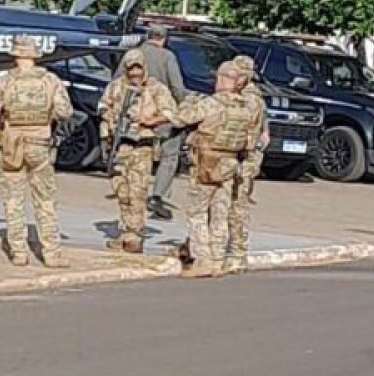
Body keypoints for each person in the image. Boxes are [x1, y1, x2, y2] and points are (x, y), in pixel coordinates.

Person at [163, 61, 262, 278]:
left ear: (226, 80)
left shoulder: (212, 104)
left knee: (197, 214)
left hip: (206, 165)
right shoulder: (244, 108)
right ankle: (218, 259)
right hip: (229, 165)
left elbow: (180, 119)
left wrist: (171, 107)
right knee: (220, 213)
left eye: (219, 77)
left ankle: (202, 260)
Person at [0, 36, 73, 268]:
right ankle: (51, 253)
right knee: (45, 199)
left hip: (11, 143)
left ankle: (19, 251)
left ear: (16, 55)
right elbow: (65, 111)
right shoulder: (50, 80)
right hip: (40, 143)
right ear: (35, 55)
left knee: (13, 199)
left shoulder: (5, 81)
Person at [98, 48, 178, 253]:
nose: (134, 74)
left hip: (142, 145)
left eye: (138, 69)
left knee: (138, 192)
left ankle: (135, 235)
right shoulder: (116, 87)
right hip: (120, 145)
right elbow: (103, 106)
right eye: (130, 69)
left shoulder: (156, 89)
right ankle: (125, 232)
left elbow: (171, 113)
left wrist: (150, 120)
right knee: (121, 190)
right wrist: (109, 119)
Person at [113, 24, 187, 221]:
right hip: (160, 113)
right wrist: (181, 111)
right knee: (169, 154)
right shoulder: (167, 56)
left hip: (133, 114)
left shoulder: (133, 54)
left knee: (132, 152)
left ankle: (126, 185)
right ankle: (157, 195)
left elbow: (117, 81)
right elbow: (177, 87)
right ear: (164, 38)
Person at [225, 54, 270, 273]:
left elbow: (247, 131)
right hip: (236, 155)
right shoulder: (243, 96)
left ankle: (237, 253)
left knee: (237, 205)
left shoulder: (250, 99)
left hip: (244, 158)